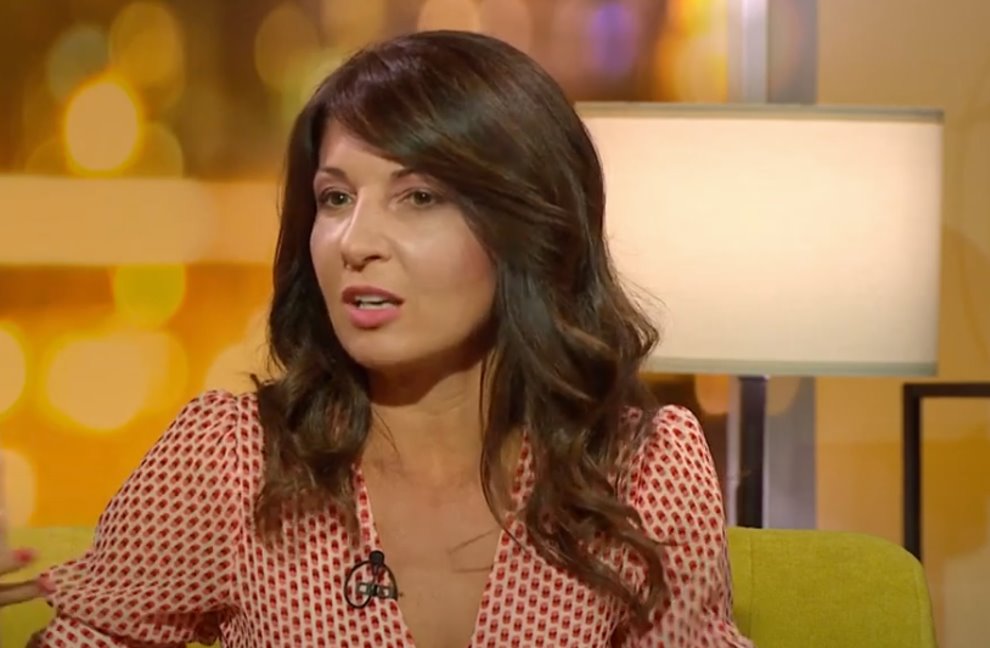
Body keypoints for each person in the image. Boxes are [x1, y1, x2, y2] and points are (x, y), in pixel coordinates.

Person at [7, 30, 752, 647]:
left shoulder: (643, 471)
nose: (355, 241)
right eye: (335, 198)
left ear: (527, 227)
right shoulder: (233, 461)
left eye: (418, 197)